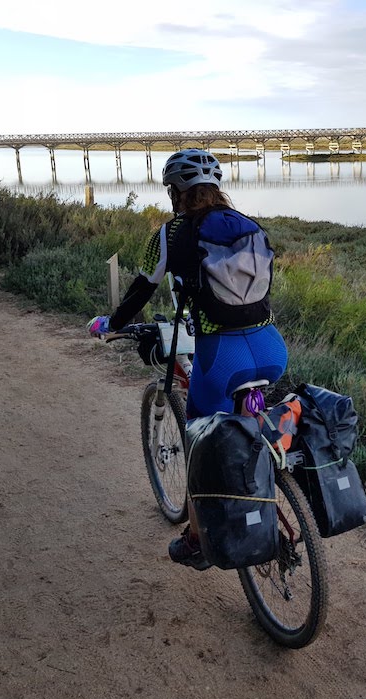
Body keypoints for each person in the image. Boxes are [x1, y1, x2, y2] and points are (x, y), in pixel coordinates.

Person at [87, 149, 287, 571]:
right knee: (251, 424)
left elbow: (142, 288)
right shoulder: (250, 226)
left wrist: (111, 322)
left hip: (221, 356)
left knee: (198, 443)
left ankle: (197, 539)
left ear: (177, 192)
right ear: (215, 189)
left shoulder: (171, 233)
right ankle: (277, 483)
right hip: (270, 346)